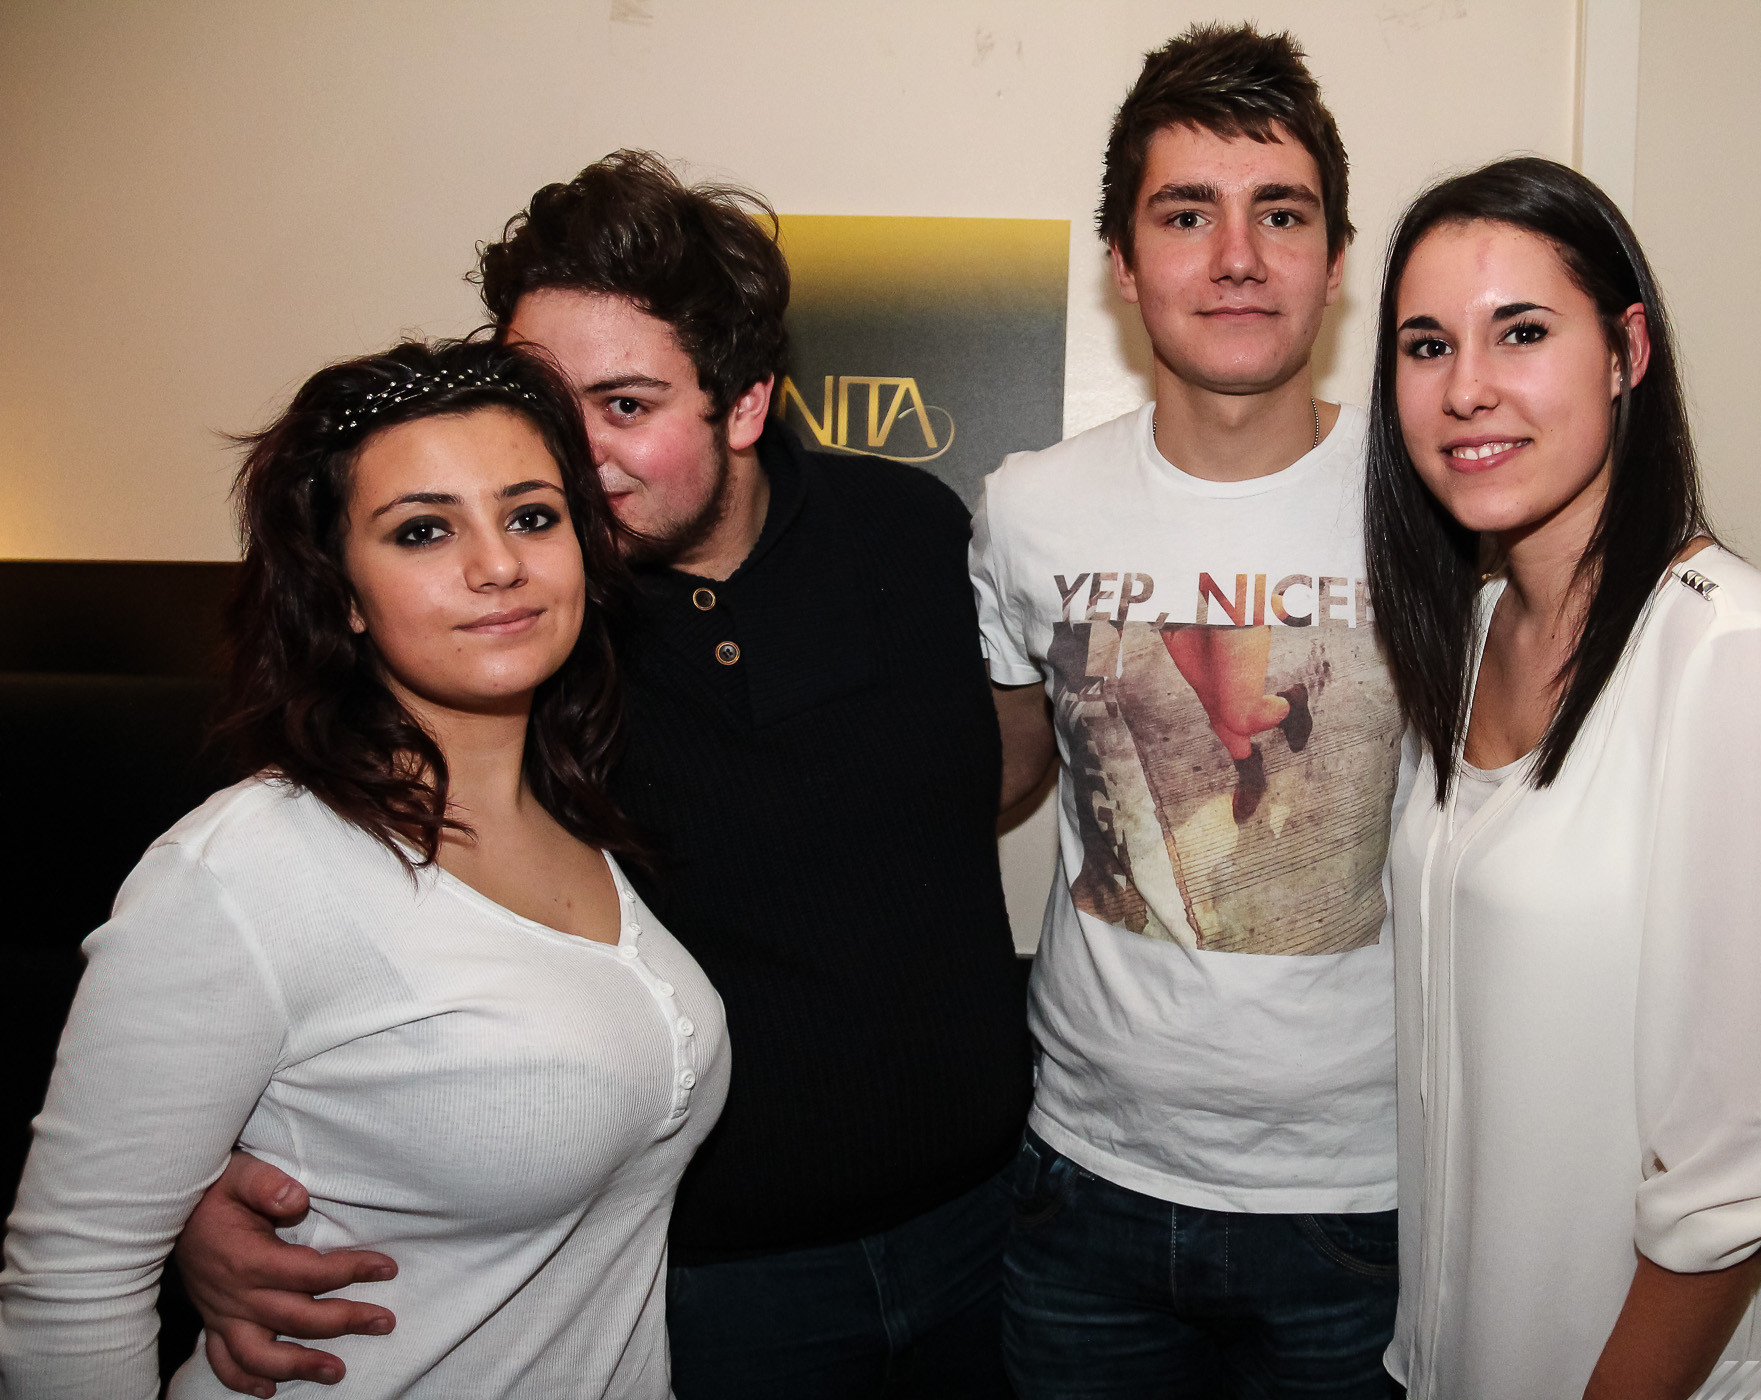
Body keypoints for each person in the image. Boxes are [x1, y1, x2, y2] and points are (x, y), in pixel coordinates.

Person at [170, 154, 1033, 1399]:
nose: (572, 455)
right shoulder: (507, 615)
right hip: (699, 1284)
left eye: (626, 404)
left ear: (745, 403)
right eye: (544, 401)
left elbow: (986, 772)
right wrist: (193, 1188)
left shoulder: (913, 529)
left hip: (992, 1235)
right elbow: (292, 905)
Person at [0, 338, 731, 1398]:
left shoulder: (585, 816)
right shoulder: (244, 869)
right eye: (423, 529)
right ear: (341, 590)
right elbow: (72, 1285)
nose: (498, 564)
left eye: (532, 516)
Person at [1365, 157, 1761, 1399]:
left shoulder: (1724, 645)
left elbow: (1734, 1185)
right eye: (1427, 345)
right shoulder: (1468, 638)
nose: (1466, 387)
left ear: (1627, 351)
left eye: (1522, 331)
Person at [975, 26, 1404, 1397]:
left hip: (1368, 1196)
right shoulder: (1030, 508)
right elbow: (998, 769)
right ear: (1122, 260)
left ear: (1336, 259)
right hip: (1084, 1187)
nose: (1236, 256)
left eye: (1281, 213)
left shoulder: (1435, 503)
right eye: (1184, 215)